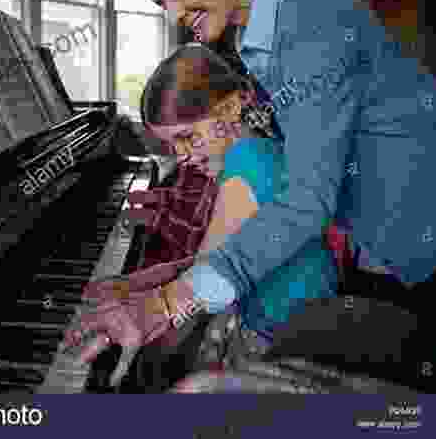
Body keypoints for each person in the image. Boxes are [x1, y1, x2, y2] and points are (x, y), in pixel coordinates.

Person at [65, 0, 436, 392]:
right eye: (160, 3)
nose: (172, 15)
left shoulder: (309, 27)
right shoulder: (266, 34)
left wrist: (162, 305)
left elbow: (306, 200)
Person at [69, 43, 339, 388]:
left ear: (230, 108)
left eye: (187, 137)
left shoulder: (248, 160)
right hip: (283, 323)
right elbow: (207, 261)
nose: (182, 157)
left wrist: (141, 328)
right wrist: (130, 284)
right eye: (173, 146)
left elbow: (205, 279)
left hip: (288, 343)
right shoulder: (255, 151)